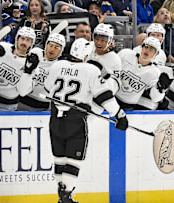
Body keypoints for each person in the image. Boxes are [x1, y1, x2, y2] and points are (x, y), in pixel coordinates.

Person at [44, 38, 128, 203]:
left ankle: (62, 195)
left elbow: (48, 88)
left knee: (59, 159)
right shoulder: (91, 70)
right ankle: (66, 195)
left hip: (55, 119)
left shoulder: (57, 65)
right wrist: (119, 115)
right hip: (76, 121)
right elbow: (104, 96)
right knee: (74, 160)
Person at [0, 26, 36, 111]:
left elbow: (23, 92)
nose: (24, 42)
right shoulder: (3, 47)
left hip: (7, 107)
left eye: (28, 40)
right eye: (22, 38)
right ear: (17, 39)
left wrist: (28, 72)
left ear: (31, 44)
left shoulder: (32, 64)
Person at [116, 37, 172, 110]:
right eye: (146, 47)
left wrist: (160, 89)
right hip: (112, 97)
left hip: (127, 105)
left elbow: (155, 98)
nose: (147, 50)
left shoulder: (154, 72)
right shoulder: (126, 54)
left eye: (152, 49)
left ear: (156, 54)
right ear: (141, 47)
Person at [17, 33, 66, 111]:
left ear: (61, 50)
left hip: (43, 107)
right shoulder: (35, 53)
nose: (52, 49)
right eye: (50, 45)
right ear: (46, 45)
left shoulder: (60, 66)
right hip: (22, 101)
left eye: (57, 47)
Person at [88, 23, 121, 95]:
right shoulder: (87, 48)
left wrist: (104, 75)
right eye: (96, 38)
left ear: (110, 41)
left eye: (103, 40)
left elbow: (114, 88)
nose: (99, 43)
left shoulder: (115, 59)